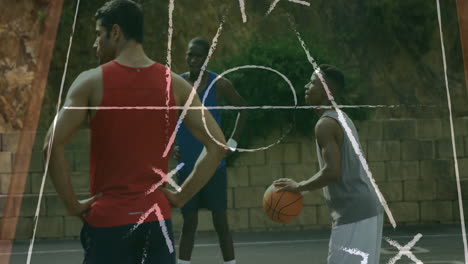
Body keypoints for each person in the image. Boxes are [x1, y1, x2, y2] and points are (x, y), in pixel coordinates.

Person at [43, 1, 227, 263]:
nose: (95, 44)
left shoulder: (90, 82)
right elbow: (218, 145)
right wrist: (180, 197)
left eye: (98, 34)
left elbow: (50, 145)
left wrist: (72, 204)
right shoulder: (175, 84)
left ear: (115, 32)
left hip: (109, 224)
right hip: (156, 223)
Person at [273, 65, 384, 264]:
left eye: (313, 82)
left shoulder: (325, 124)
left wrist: (299, 187)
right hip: (363, 209)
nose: (307, 86)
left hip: (355, 212)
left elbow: (332, 171)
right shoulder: (341, 117)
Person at [174, 37, 248, 264]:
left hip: (214, 164)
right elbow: (167, 118)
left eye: (198, 55)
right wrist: (171, 145)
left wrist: (232, 143)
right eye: (190, 54)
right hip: (186, 164)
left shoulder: (219, 84)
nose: (193, 59)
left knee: (220, 222)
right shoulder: (178, 84)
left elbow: (244, 109)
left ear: (207, 59)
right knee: (189, 223)